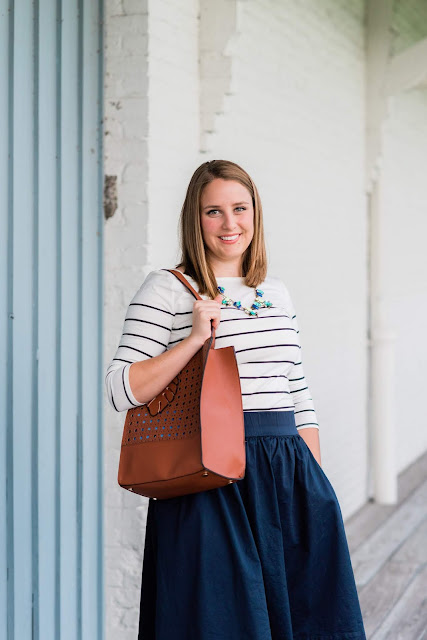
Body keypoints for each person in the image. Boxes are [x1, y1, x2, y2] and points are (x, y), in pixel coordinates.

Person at [105, 159, 367, 640]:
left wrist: (314, 489)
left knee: (308, 620)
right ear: (194, 218)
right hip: (208, 479)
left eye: (239, 209)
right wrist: (191, 340)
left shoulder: (275, 292)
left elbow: (297, 390)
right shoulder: (166, 289)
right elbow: (119, 387)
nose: (230, 224)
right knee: (219, 622)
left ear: (255, 214)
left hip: (287, 474)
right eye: (213, 212)